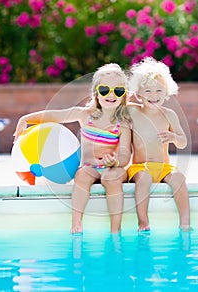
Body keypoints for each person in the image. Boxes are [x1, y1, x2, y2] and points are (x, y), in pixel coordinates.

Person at [13, 63, 132, 235]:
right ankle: (76, 223)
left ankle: (115, 228)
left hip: (114, 168)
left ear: (124, 96)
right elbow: (56, 115)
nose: (111, 95)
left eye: (118, 91)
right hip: (90, 168)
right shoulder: (85, 115)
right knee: (81, 175)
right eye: (105, 90)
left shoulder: (123, 124)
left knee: (111, 178)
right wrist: (26, 119)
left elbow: (125, 154)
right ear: (96, 93)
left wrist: (116, 161)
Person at [127, 57, 191, 232]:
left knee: (179, 178)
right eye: (147, 91)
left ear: (167, 92)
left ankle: (185, 223)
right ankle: (143, 221)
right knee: (144, 179)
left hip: (163, 167)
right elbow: (115, 102)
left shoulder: (169, 114)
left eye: (158, 90)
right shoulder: (133, 110)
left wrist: (173, 136)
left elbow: (183, 142)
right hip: (139, 167)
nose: (153, 96)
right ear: (138, 94)